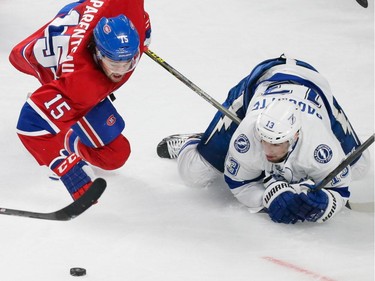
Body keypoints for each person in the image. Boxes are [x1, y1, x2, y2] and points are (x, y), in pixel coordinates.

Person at [157, 55, 370, 224]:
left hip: (313, 88)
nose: (267, 149)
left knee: (360, 167)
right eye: (264, 140)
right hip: (262, 82)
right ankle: (199, 141)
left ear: (294, 136)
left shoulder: (319, 143)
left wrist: (323, 205)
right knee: (194, 173)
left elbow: (340, 189)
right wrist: (268, 196)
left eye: (276, 143)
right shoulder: (249, 134)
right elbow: (239, 183)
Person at [9, 0, 151, 200]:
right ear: (97, 52)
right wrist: (66, 167)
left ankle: (53, 106)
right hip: (47, 63)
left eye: (127, 61)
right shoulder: (81, 85)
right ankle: (56, 118)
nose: (120, 71)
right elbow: (29, 125)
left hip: (73, 20)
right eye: (113, 63)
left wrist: (145, 30)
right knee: (114, 155)